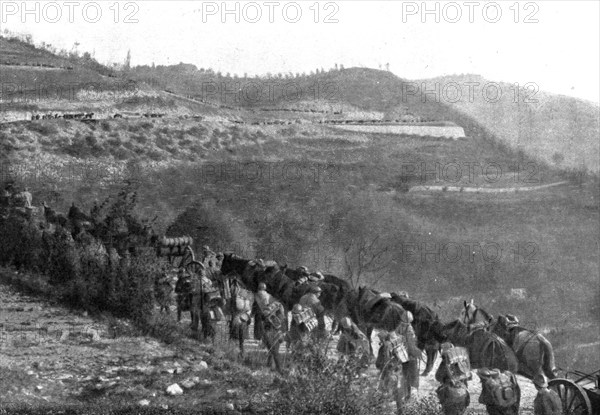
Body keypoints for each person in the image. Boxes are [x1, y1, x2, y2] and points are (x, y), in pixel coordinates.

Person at [435, 342, 471, 415]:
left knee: (440, 393)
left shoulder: (445, 363)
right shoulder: (462, 361)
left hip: (449, 393)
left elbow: (438, 376)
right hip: (463, 391)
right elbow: (468, 376)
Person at [397, 311, 421, 401]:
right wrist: (417, 352)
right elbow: (411, 344)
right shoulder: (409, 329)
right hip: (408, 355)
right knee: (412, 374)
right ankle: (409, 394)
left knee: (404, 375)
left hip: (399, 353)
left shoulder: (398, 326)